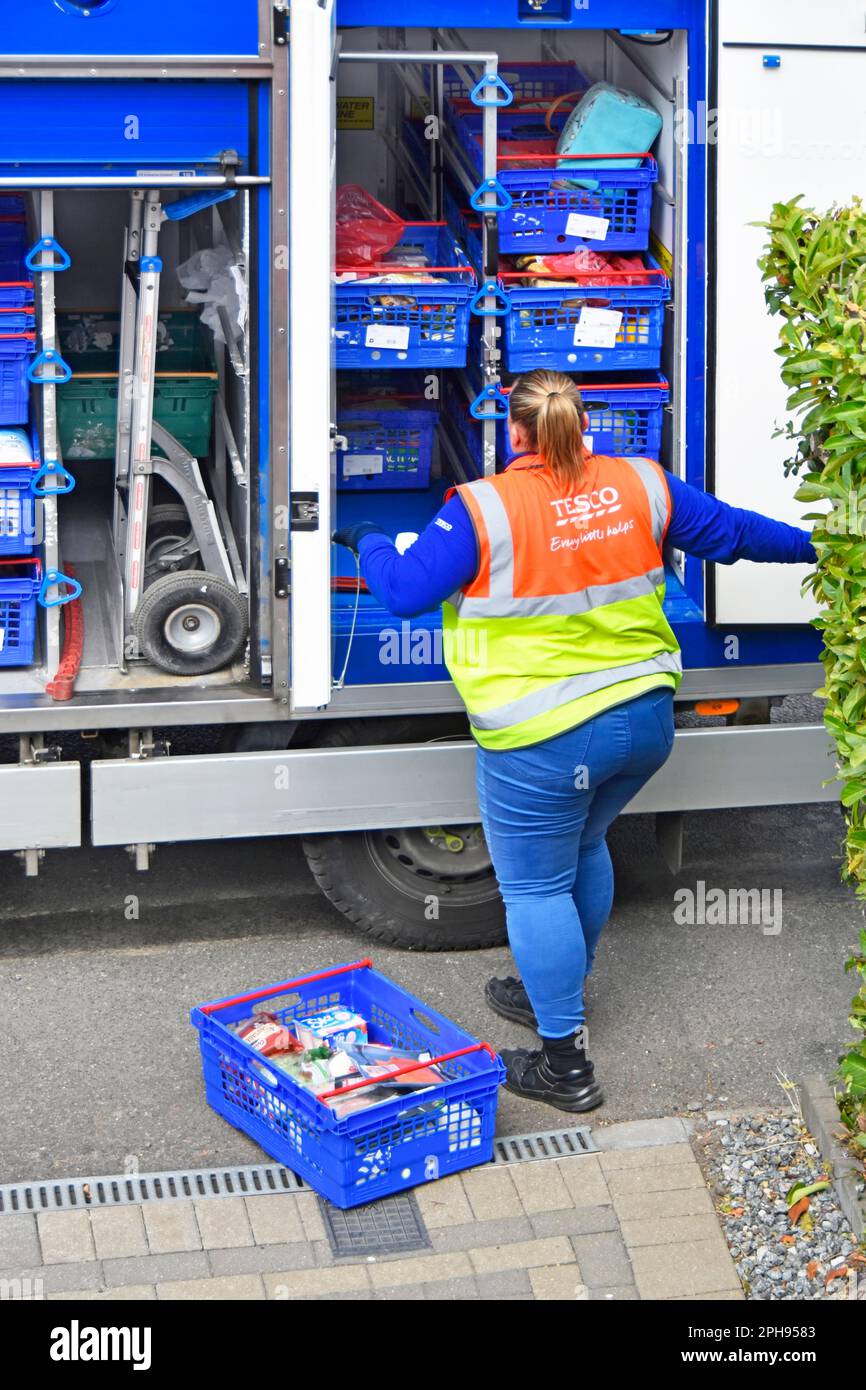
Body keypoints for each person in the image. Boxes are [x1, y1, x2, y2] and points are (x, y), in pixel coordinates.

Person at [332, 369, 817, 1113]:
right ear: (582, 423)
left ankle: (566, 1066)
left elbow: (402, 594)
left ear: (515, 432)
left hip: (544, 735)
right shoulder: (642, 483)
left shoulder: (483, 510)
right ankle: (549, 991)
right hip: (645, 720)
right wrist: (826, 547)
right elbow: (737, 534)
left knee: (534, 887)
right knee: (586, 847)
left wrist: (364, 537)